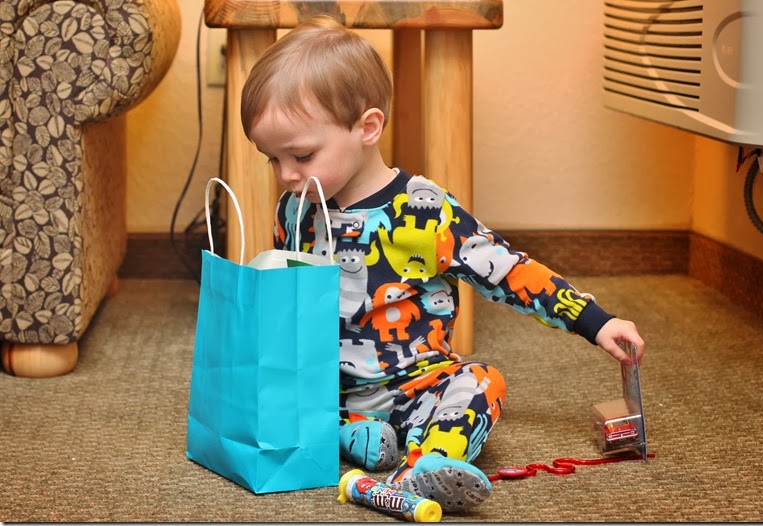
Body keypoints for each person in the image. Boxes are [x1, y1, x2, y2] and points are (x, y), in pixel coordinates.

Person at [240, 15, 646, 512]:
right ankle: (349, 430)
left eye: (301, 156)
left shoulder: (426, 211)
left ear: (368, 127)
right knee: (270, 389)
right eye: (272, 159)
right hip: (326, 388)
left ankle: (430, 462)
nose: (285, 175)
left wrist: (595, 321)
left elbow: (508, 271)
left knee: (482, 381)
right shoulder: (295, 208)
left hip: (419, 384)